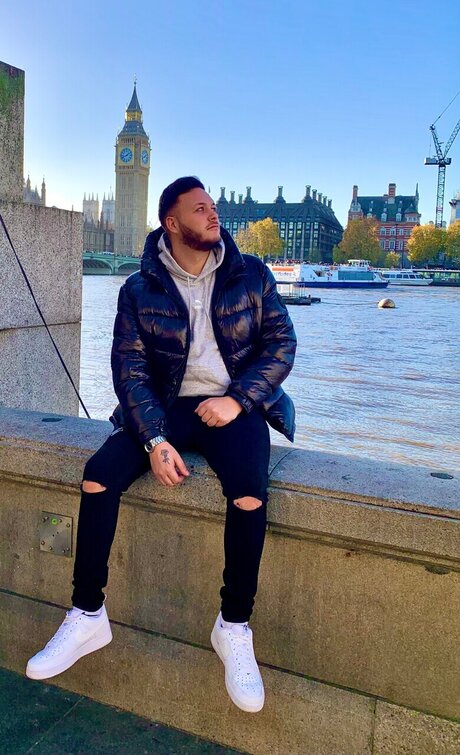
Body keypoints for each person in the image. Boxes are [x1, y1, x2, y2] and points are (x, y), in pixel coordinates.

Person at [26, 176, 296, 713]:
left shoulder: (252, 274)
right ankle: (87, 614)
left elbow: (282, 345)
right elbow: (129, 370)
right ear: (171, 223)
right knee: (98, 476)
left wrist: (238, 399)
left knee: (248, 493)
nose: (213, 216)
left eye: (213, 207)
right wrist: (153, 438)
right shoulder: (138, 289)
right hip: (164, 406)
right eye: (199, 209)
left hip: (232, 406)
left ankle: (233, 626)